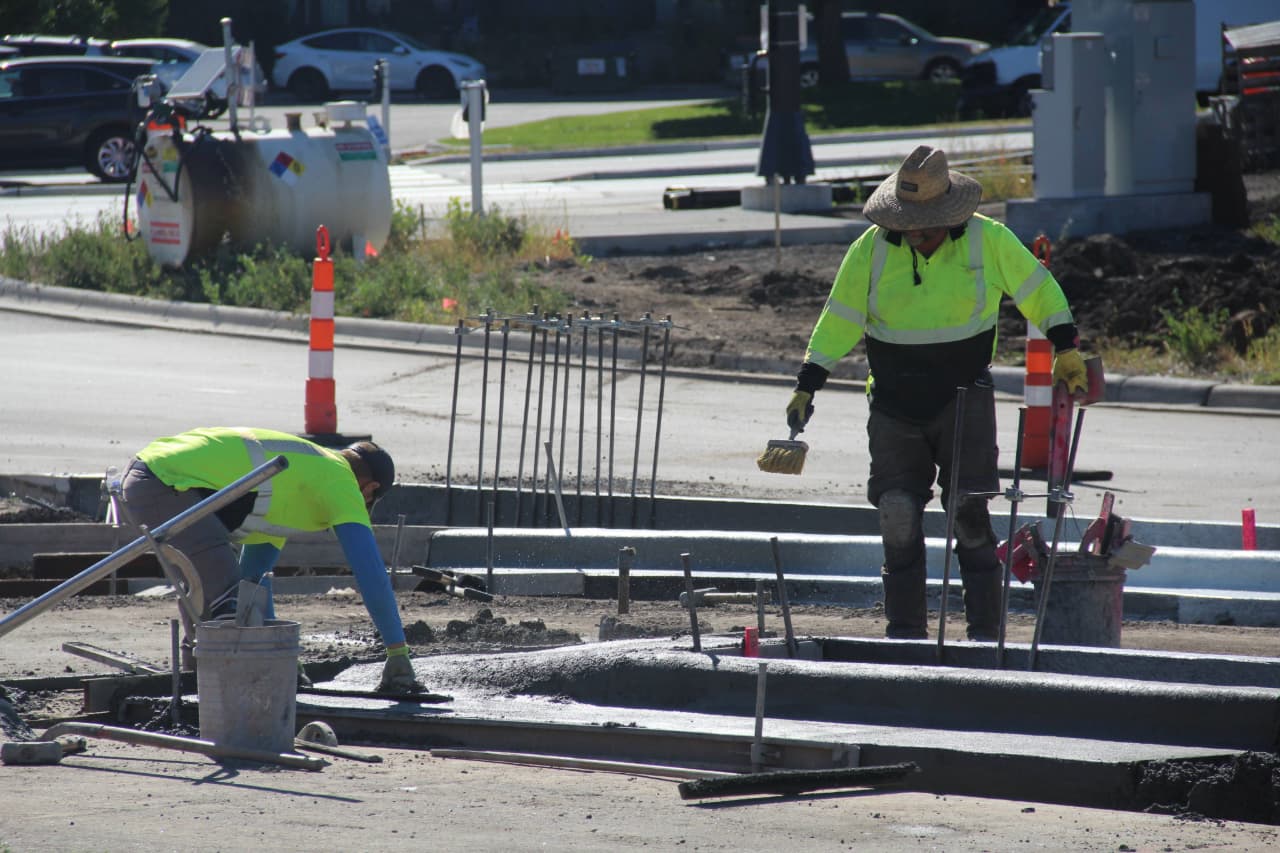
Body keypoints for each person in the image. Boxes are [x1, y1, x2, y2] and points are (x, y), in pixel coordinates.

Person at [787, 145, 1088, 641]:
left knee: (969, 516)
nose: (915, 234)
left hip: (964, 397)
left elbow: (1039, 288)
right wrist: (808, 383)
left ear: (951, 216)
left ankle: (984, 636)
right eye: (907, 224)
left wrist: (1066, 345)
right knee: (898, 515)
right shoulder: (871, 248)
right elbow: (839, 318)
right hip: (892, 402)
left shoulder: (988, 241)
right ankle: (905, 634)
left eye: (924, 224)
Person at [120, 426, 423, 693]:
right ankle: (224, 700)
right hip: (165, 483)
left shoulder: (299, 477)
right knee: (227, 605)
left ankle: (198, 692)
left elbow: (254, 582)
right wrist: (397, 652)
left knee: (219, 598)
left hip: (153, 475)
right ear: (369, 489)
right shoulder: (341, 479)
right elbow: (370, 574)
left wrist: (284, 659)